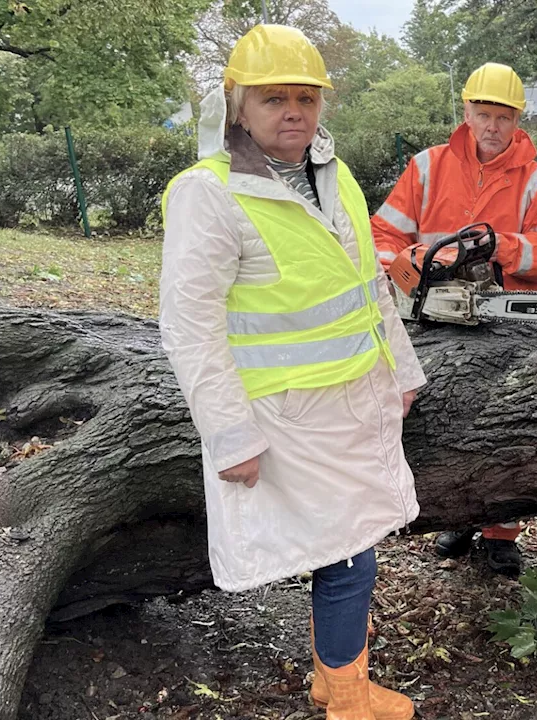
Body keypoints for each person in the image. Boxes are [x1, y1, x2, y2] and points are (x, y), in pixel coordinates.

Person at [159, 24, 425, 720]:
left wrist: (402, 367)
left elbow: (368, 285)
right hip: (282, 421)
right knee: (347, 557)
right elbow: (190, 327)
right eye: (274, 96)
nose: (294, 110)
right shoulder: (208, 193)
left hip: (352, 407)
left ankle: (336, 682)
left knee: (352, 548)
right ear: (237, 106)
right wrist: (229, 436)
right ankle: (345, 699)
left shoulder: (335, 178)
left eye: (306, 96)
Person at [371, 62, 537, 577]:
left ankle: (502, 530)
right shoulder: (427, 168)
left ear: (517, 120)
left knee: (513, 424)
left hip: (511, 321)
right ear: (466, 112)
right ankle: (460, 514)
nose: (491, 126)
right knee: (443, 419)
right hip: (435, 322)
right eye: (483, 114)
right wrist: (408, 263)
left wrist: (501, 244)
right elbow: (380, 236)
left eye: (502, 117)